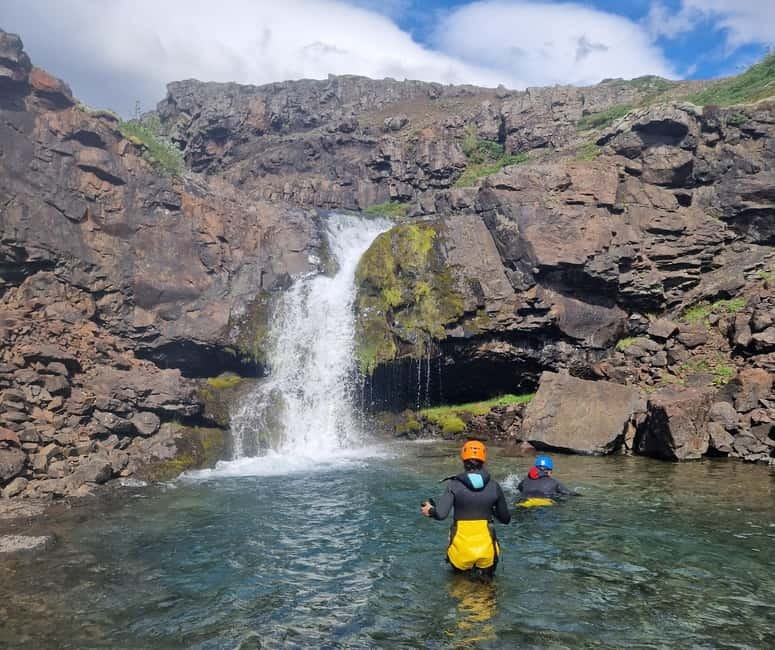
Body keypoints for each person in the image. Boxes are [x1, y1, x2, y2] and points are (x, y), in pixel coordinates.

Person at [421, 440, 511, 577]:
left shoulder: (454, 485)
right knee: (487, 589)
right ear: (483, 460)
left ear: (463, 459)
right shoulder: (494, 486)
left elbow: (441, 514)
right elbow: (506, 519)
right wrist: (490, 509)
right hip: (487, 551)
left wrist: (430, 510)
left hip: (461, 550)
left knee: (460, 588)